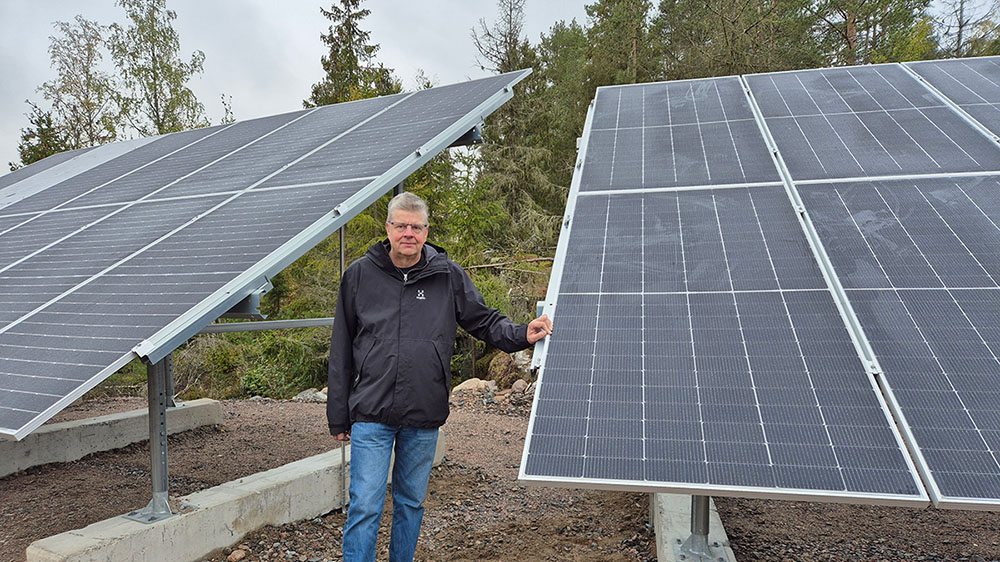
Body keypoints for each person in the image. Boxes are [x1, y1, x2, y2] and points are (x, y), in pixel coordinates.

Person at [327, 191, 552, 562]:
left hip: (423, 411)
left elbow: (483, 320)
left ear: (426, 231)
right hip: (370, 413)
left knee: (411, 504)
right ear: (388, 228)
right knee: (365, 506)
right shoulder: (359, 276)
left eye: (416, 227)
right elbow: (341, 348)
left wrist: (520, 334)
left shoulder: (446, 275)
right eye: (401, 226)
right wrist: (338, 414)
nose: (408, 234)